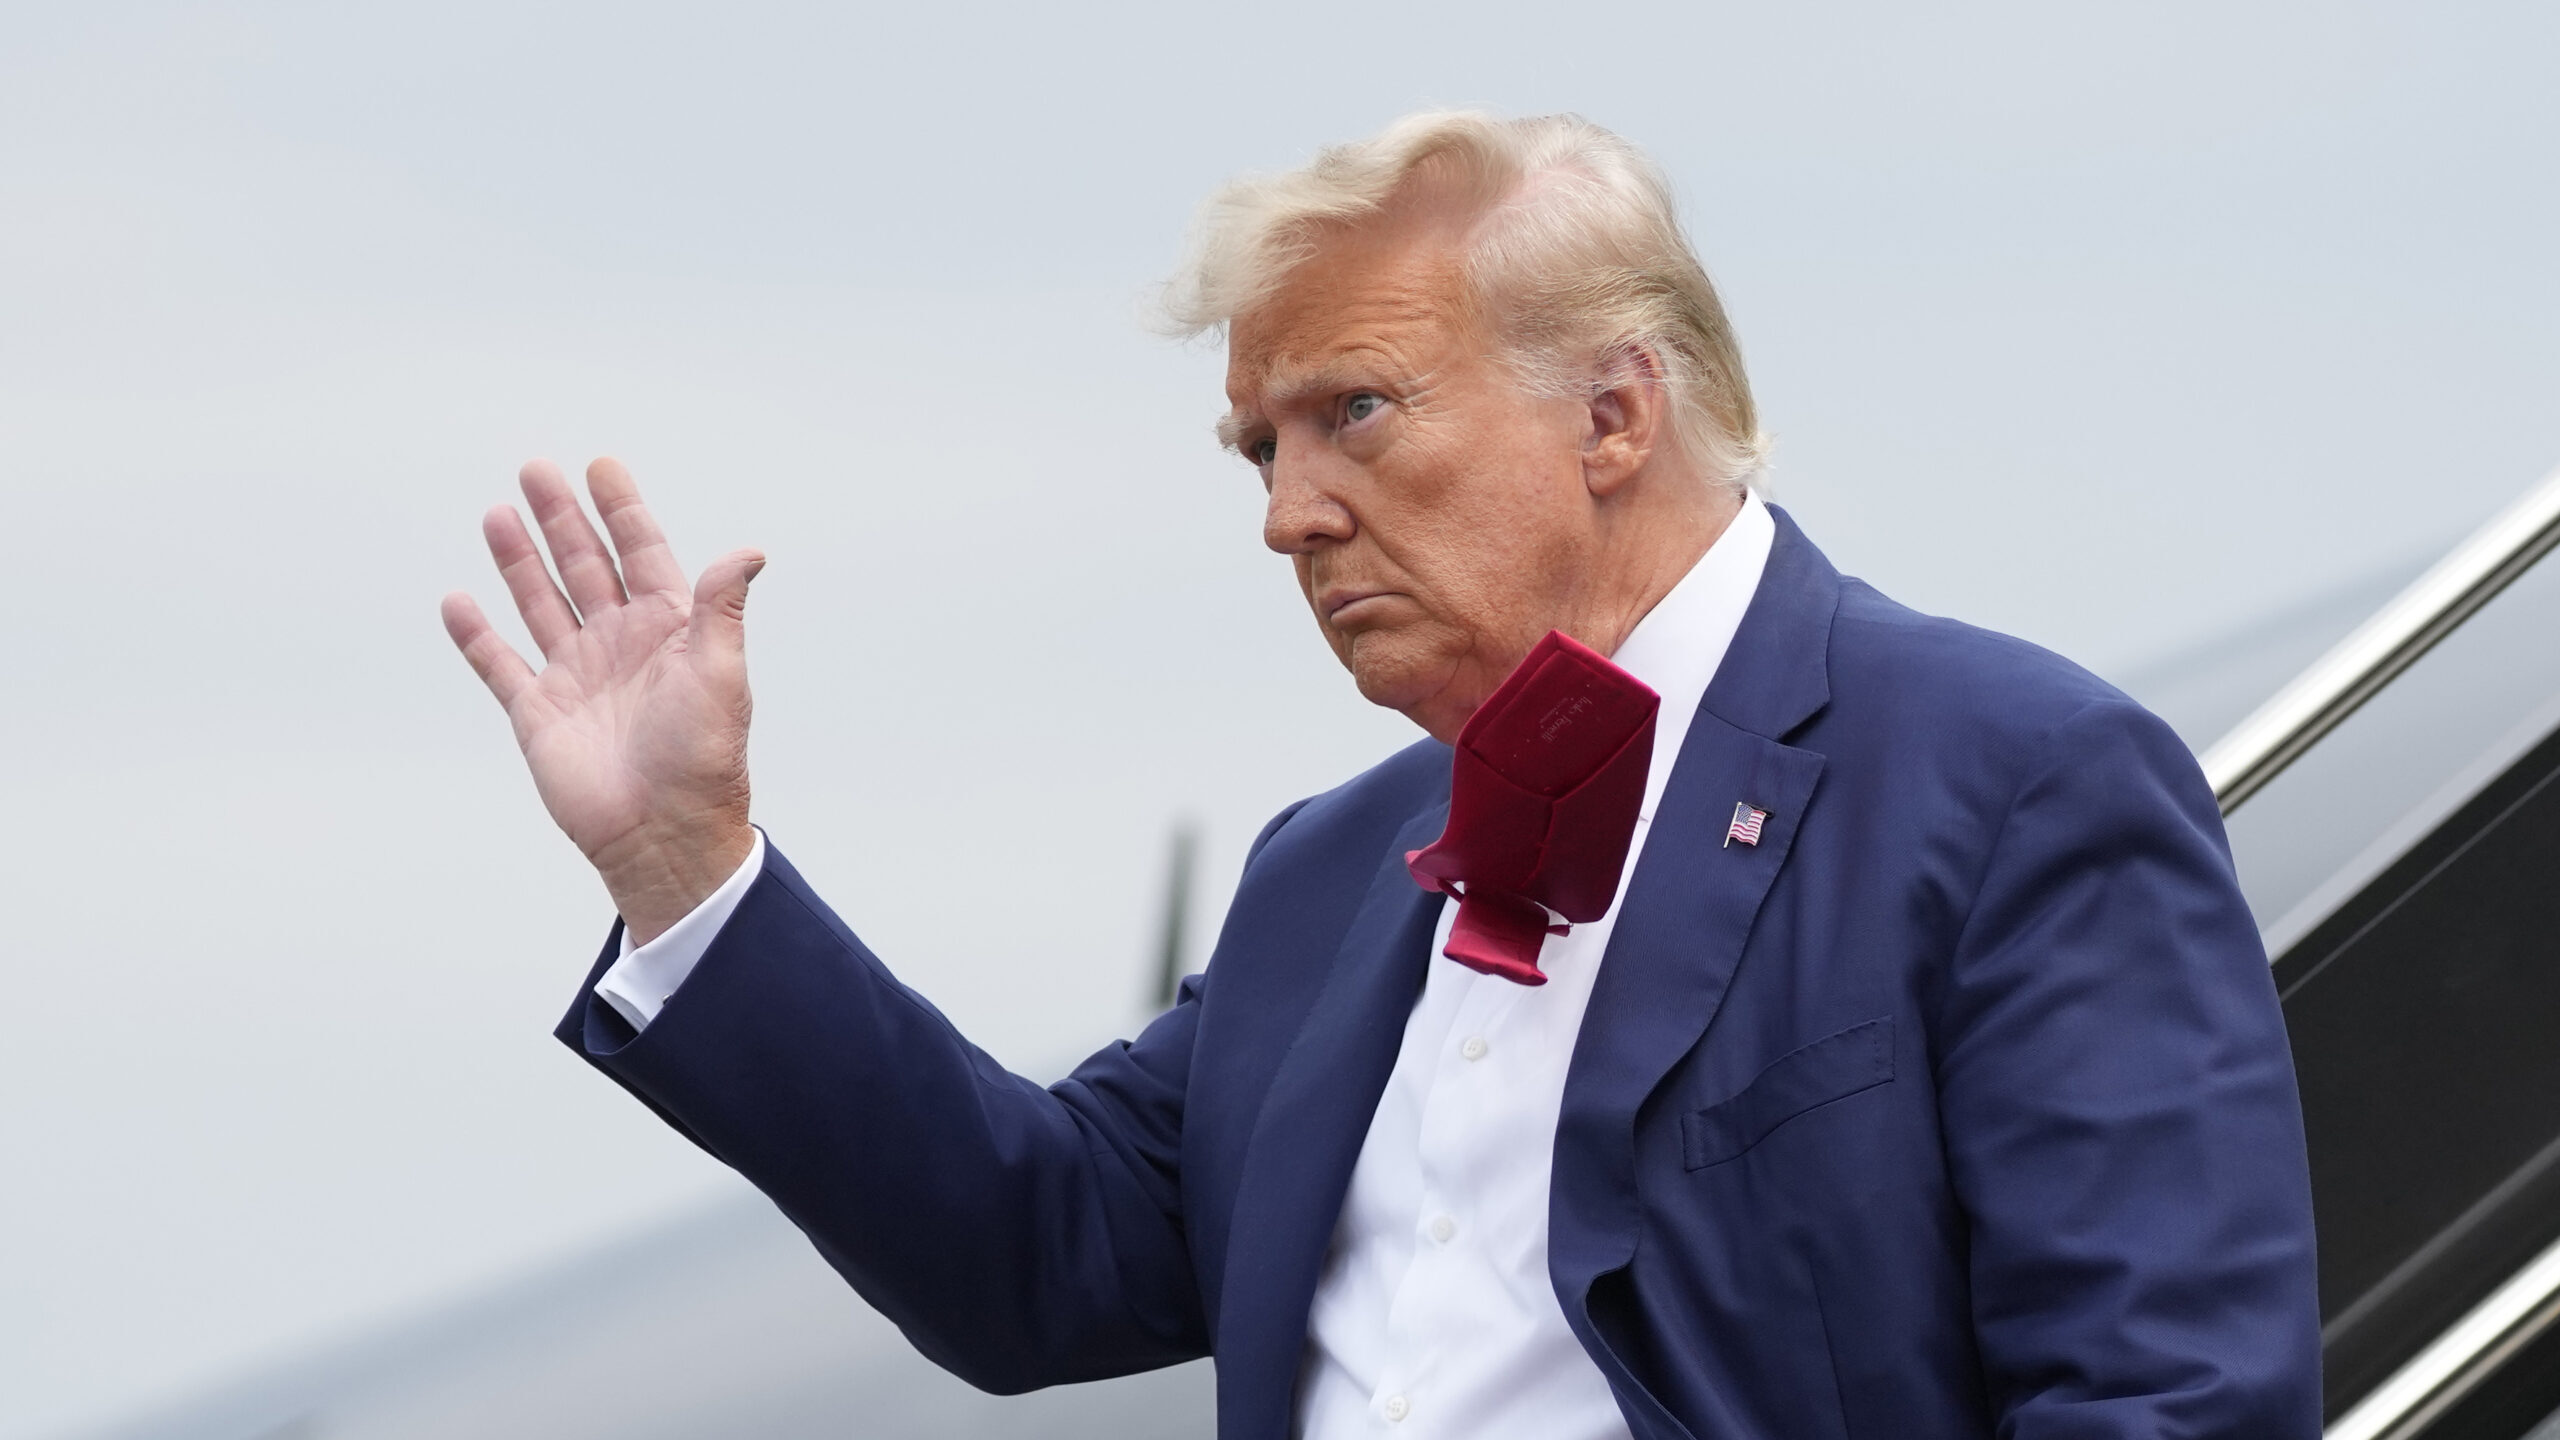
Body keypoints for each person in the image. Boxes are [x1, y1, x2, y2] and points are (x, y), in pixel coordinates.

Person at [441, 111, 2321, 1439]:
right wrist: (689, 861)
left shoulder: (2014, 782)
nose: (1284, 515)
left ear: (1613, 411)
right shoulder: (1329, 877)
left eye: (1353, 414)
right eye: (1254, 445)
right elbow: (1031, 1254)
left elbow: (2173, 1407)